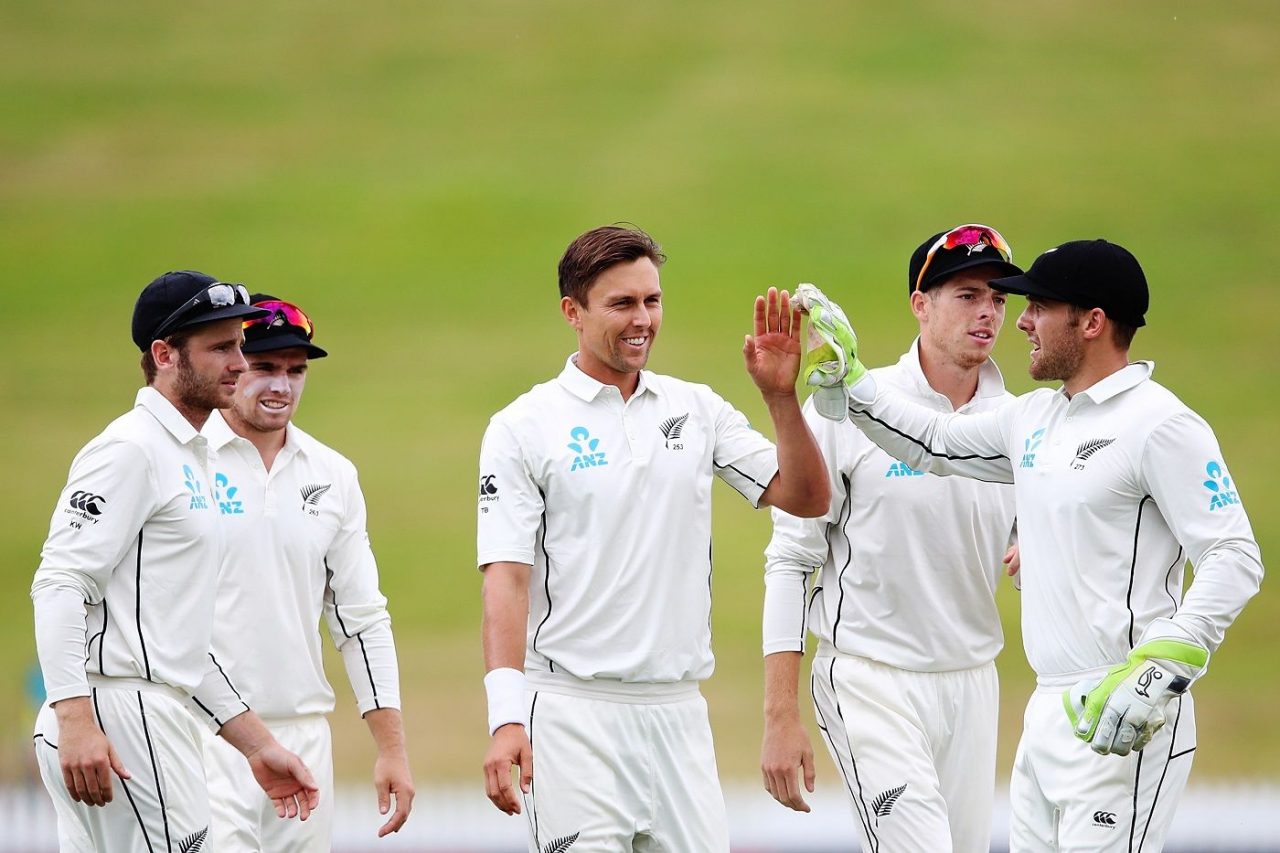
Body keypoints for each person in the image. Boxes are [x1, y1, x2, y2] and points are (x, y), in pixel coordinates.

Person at [800, 240, 1264, 851]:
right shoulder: (1035, 418)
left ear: (1092, 322)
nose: (1019, 321)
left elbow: (1234, 555)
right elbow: (932, 440)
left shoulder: (1163, 425)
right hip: (1047, 714)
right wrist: (854, 383)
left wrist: (1163, 664)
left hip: (1127, 711)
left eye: (1038, 307)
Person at [477, 224, 831, 851]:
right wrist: (506, 716)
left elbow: (806, 497)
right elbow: (505, 577)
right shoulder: (523, 427)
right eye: (622, 304)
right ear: (572, 312)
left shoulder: (696, 409)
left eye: (652, 301)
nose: (642, 320)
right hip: (569, 714)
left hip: (678, 715)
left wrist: (781, 398)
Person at [31, 271, 320, 852]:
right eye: (220, 348)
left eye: (239, 344)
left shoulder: (193, 457)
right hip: (118, 712)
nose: (239, 362)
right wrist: (76, 717)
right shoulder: (131, 448)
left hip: (139, 711)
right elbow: (60, 582)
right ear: (164, 355)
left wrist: (256, 745)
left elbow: (178, 640)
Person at [761, 224, 1021, 852]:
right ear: (920, 304)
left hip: (971, 679)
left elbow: (1044, 526)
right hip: (869, 676)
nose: (987, 312)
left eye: (998, 299)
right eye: (967, 295)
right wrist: (780, 715)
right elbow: (793, 559)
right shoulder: (848, 405)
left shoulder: (1020, 423)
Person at [200, 294, 414, 849]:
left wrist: (391, 749)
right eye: (264, 367)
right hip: (198, 734)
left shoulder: (333, 474)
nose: (281, 386)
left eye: (296, 371)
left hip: (302, 737)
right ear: (231, 367)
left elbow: (361, 618)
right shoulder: (183, 459)